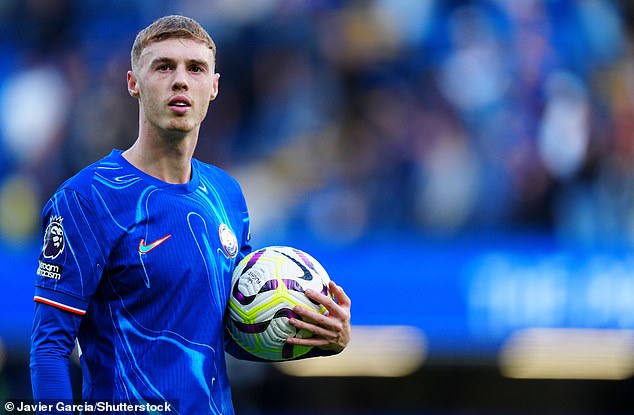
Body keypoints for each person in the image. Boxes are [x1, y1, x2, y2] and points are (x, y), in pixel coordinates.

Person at [30, 15, 351, 415]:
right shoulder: (86, 199)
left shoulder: (227, 194)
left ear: (213, 87)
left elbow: (229, 334)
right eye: (164, 67)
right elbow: (50, 348)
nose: (180, 80)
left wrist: (317, 338)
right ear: (134, 83)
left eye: (195, 68)